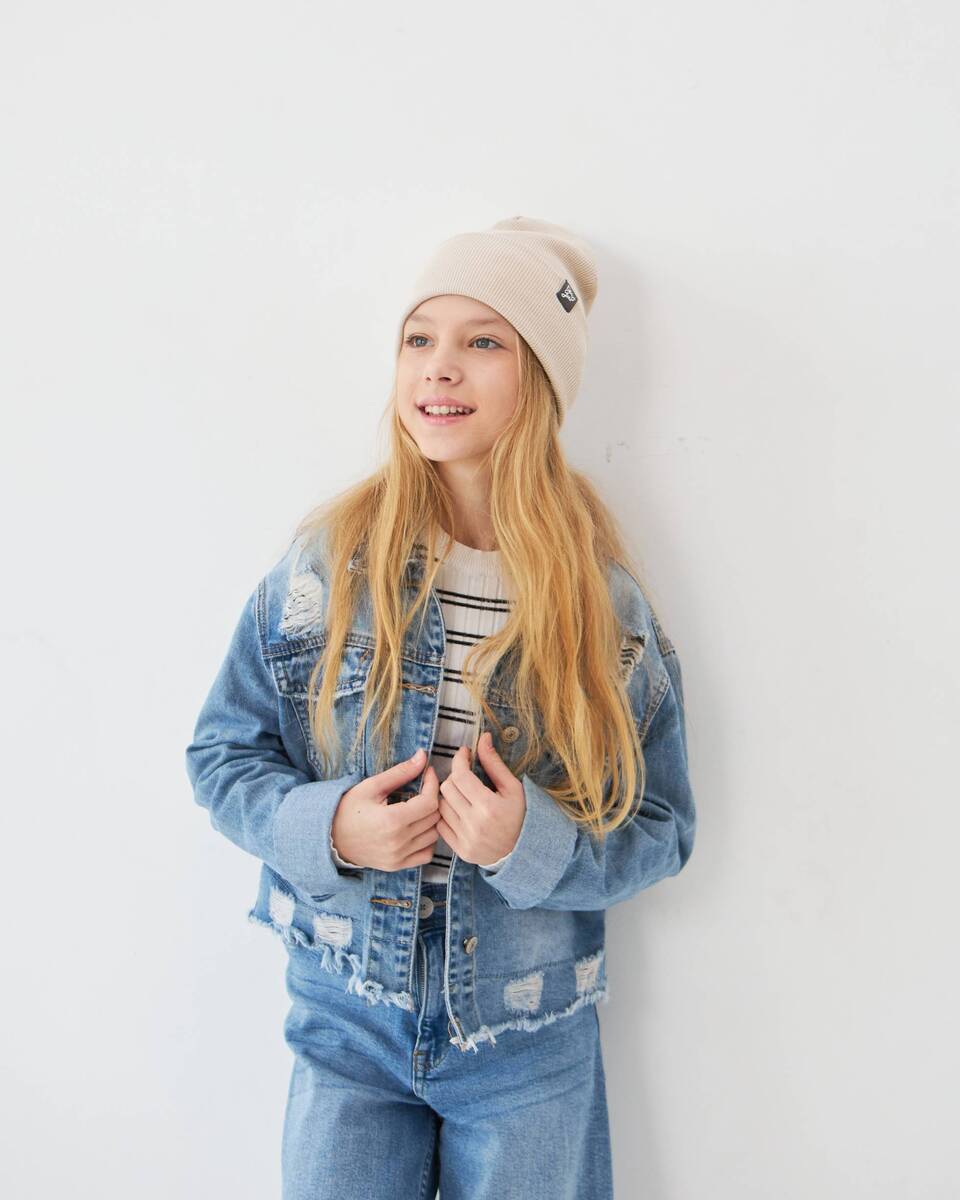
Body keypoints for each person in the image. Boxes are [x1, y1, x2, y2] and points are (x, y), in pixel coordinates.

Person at [185, 215, 696, 1199]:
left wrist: (528, 844)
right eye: (418, 338)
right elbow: (221, 755)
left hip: (525, 1040)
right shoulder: (328, 569)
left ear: (539, 381)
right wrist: (331, 826)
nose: (440, 367)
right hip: (346, 1020)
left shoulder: (603, 611)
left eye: (483, 340)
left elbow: (664, 826)